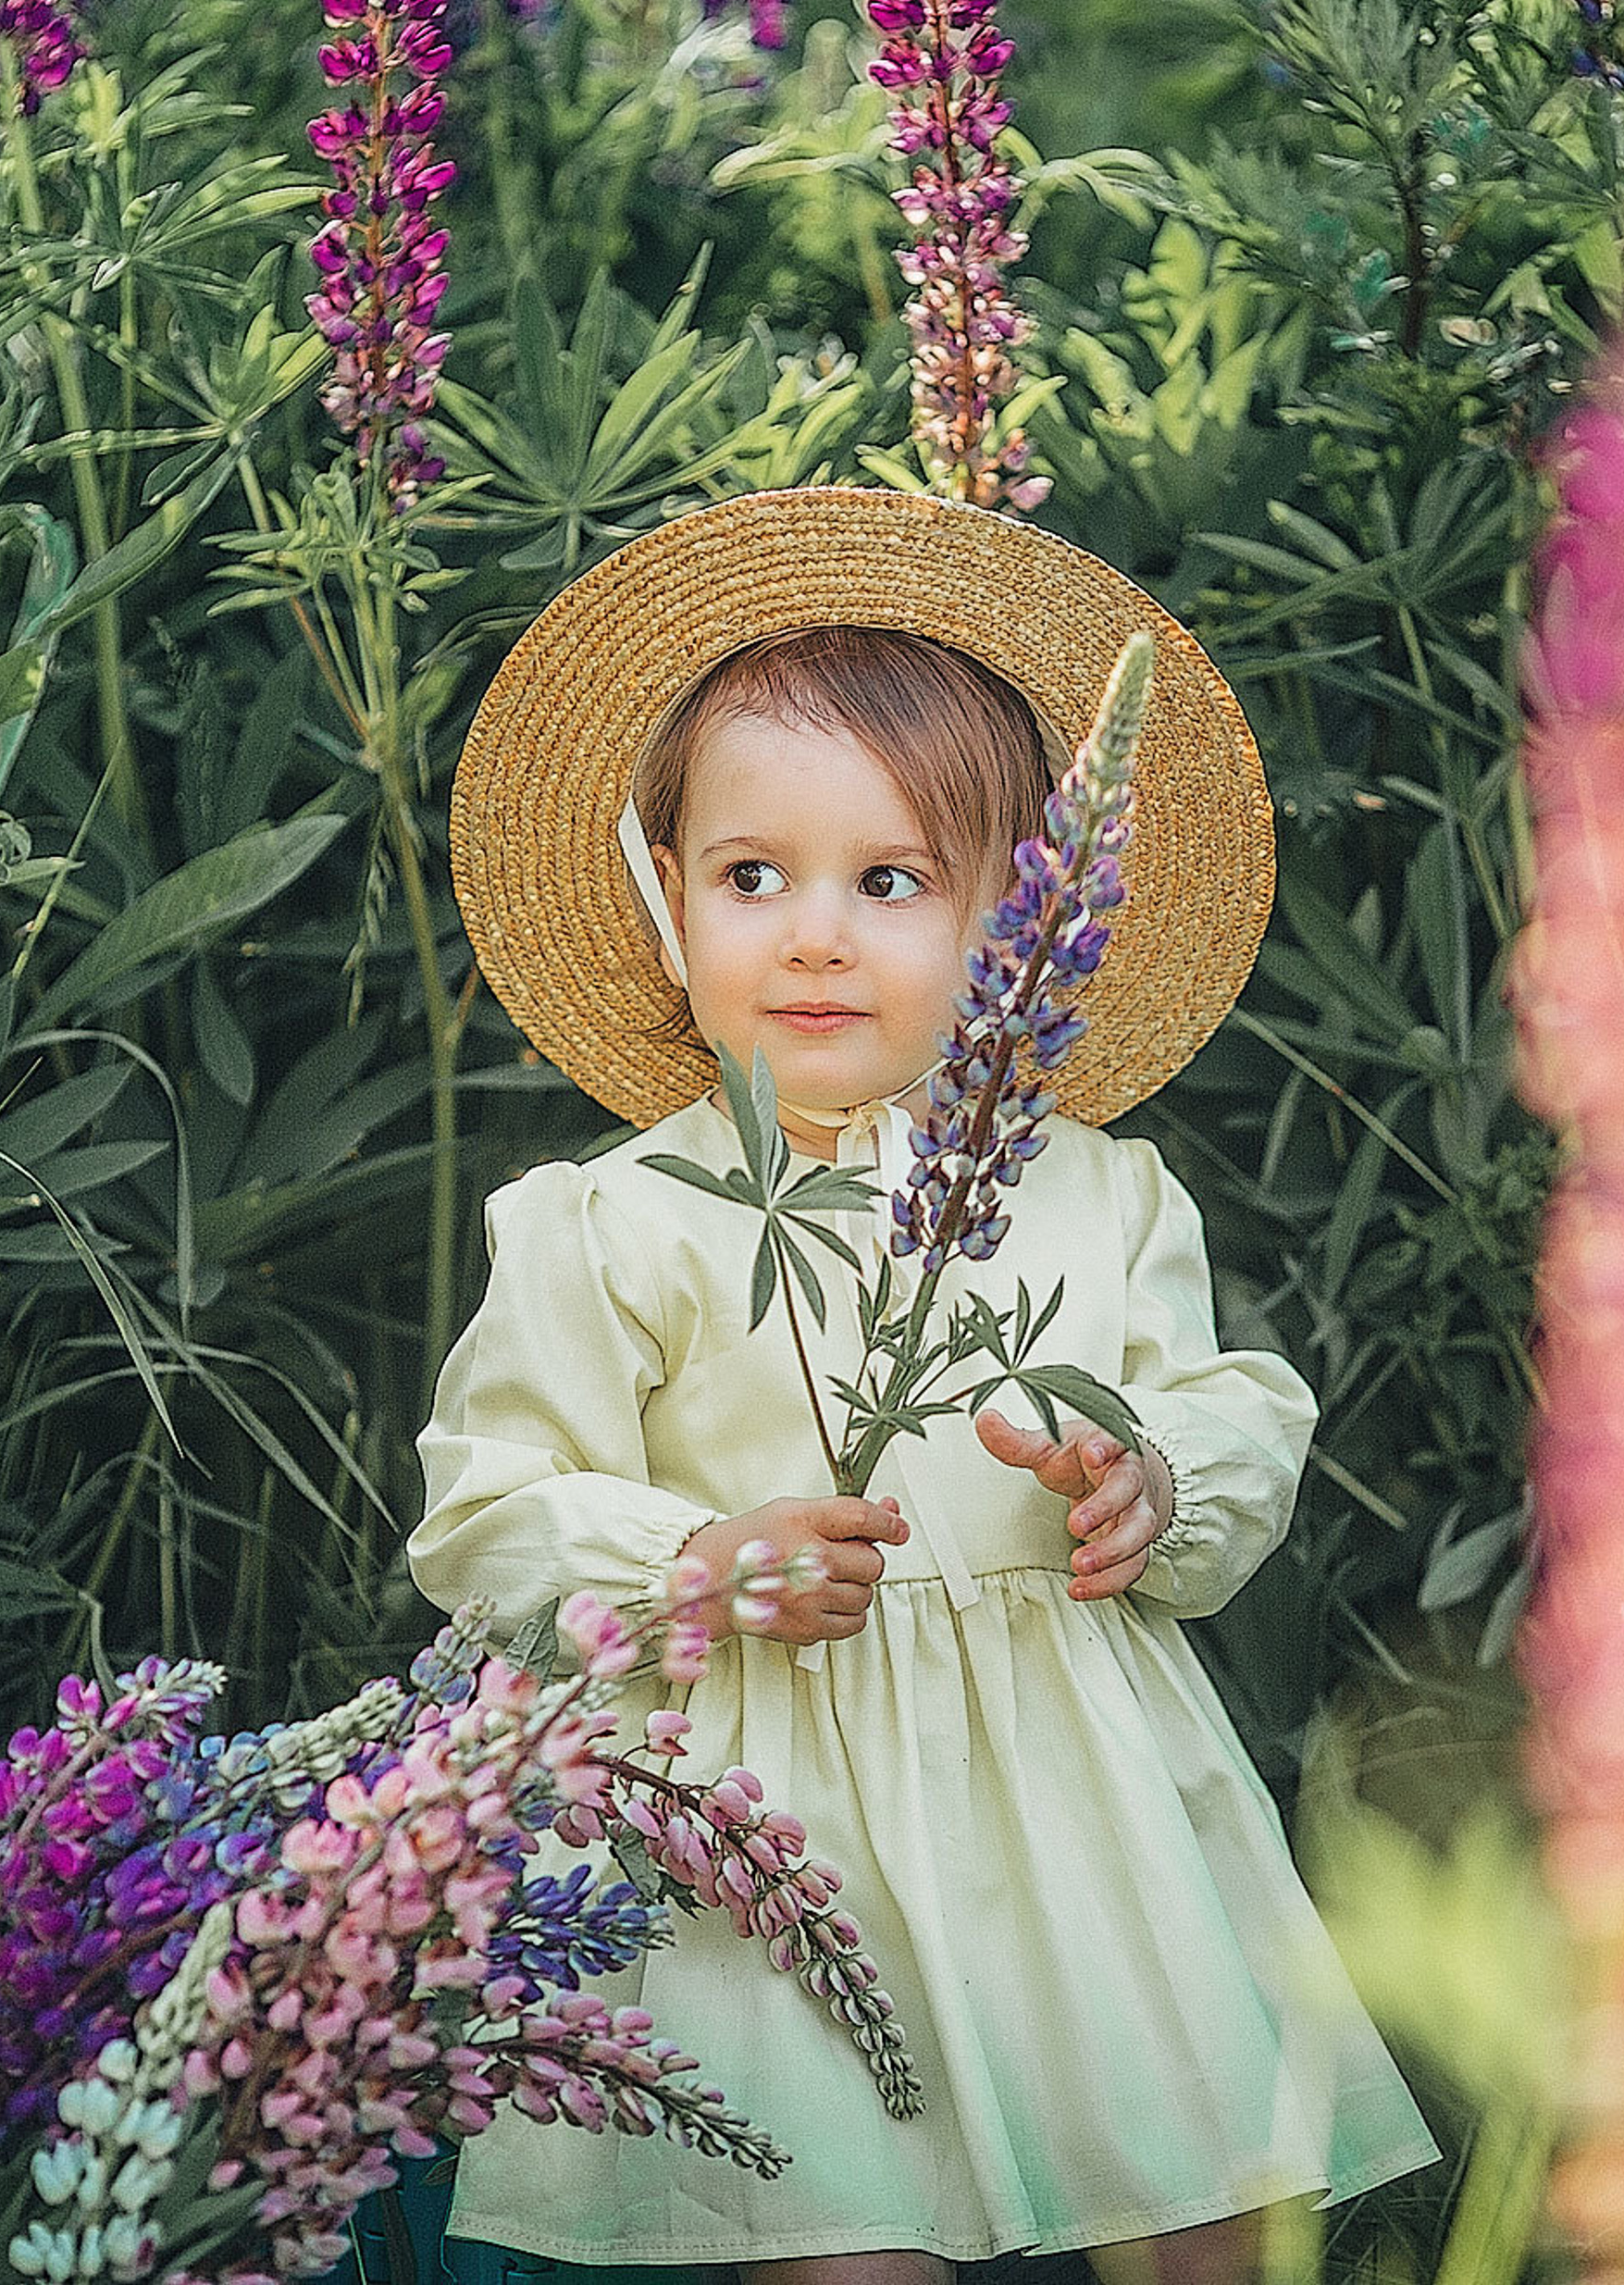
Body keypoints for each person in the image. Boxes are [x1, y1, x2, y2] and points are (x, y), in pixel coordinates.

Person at [409, 488, 1442, 2285]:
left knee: (1201, 2200)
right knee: (831, 2233)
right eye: (753, 875)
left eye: (889, 879)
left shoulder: (1097, 1185)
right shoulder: (601, 1217)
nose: (815, 933)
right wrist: (690, 1558)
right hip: (764, 1802)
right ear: (664, 899)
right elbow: (490, 1505)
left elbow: (1226, 1401)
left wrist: (1150, 1482)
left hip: (1071, 1790)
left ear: (1014, 924)